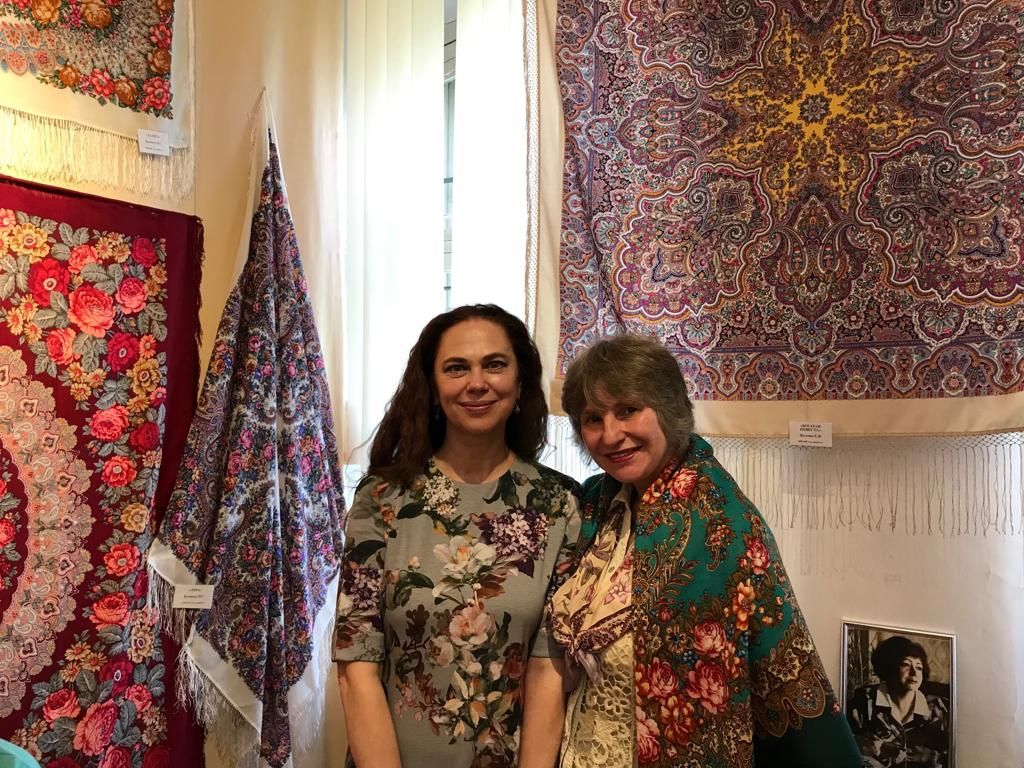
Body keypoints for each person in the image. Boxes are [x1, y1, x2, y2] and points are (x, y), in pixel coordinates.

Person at [547, 333, 862, 767]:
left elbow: (784, 671)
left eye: (628, 410)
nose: (611, 434)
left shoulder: (724, 525)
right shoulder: (592, 506)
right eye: (592, 419)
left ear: (668, 407)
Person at [333, 304, 580, 768]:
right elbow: (356, 664)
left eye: (494, 364)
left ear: (520, 382)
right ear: (432, 387)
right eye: (456, 368)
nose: (477, 382)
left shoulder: (558, 505)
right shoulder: (381, 499)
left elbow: (549, 669)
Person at [848, 635, 950, 767]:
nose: (914, 673)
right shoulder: (863, 703)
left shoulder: (940, 709)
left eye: (919, 667)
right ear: (889, 667)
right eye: (906, 664)